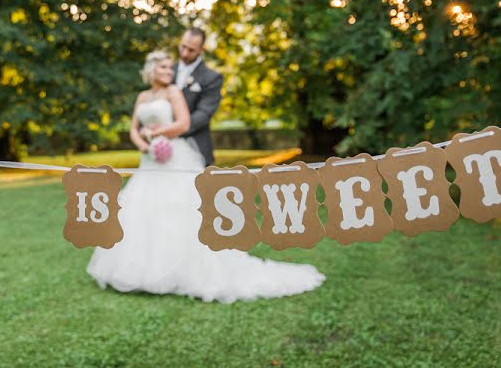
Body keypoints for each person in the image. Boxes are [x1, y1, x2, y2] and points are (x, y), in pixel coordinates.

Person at [86, 49, 325, 303]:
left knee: (180, 211)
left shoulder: (174, 93)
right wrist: (145, 145)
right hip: (149, 160)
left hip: (173, 157)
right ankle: (141, 271)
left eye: (170, 67)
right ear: (151, 70)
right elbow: (134, 129)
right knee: (140, 210)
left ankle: (182, 272)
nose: (168, 72)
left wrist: (159, 134)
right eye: (163, 68)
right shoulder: (143, 97)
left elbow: (184, 123)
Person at [172, 27, 222, 167]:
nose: (185, 53)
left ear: (201, 50)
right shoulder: (166, 70)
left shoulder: (212, 78)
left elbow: (204, 113)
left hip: (196, 147)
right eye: (183, 46)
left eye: (191, 50)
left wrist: (173, 130)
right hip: (163, 148)